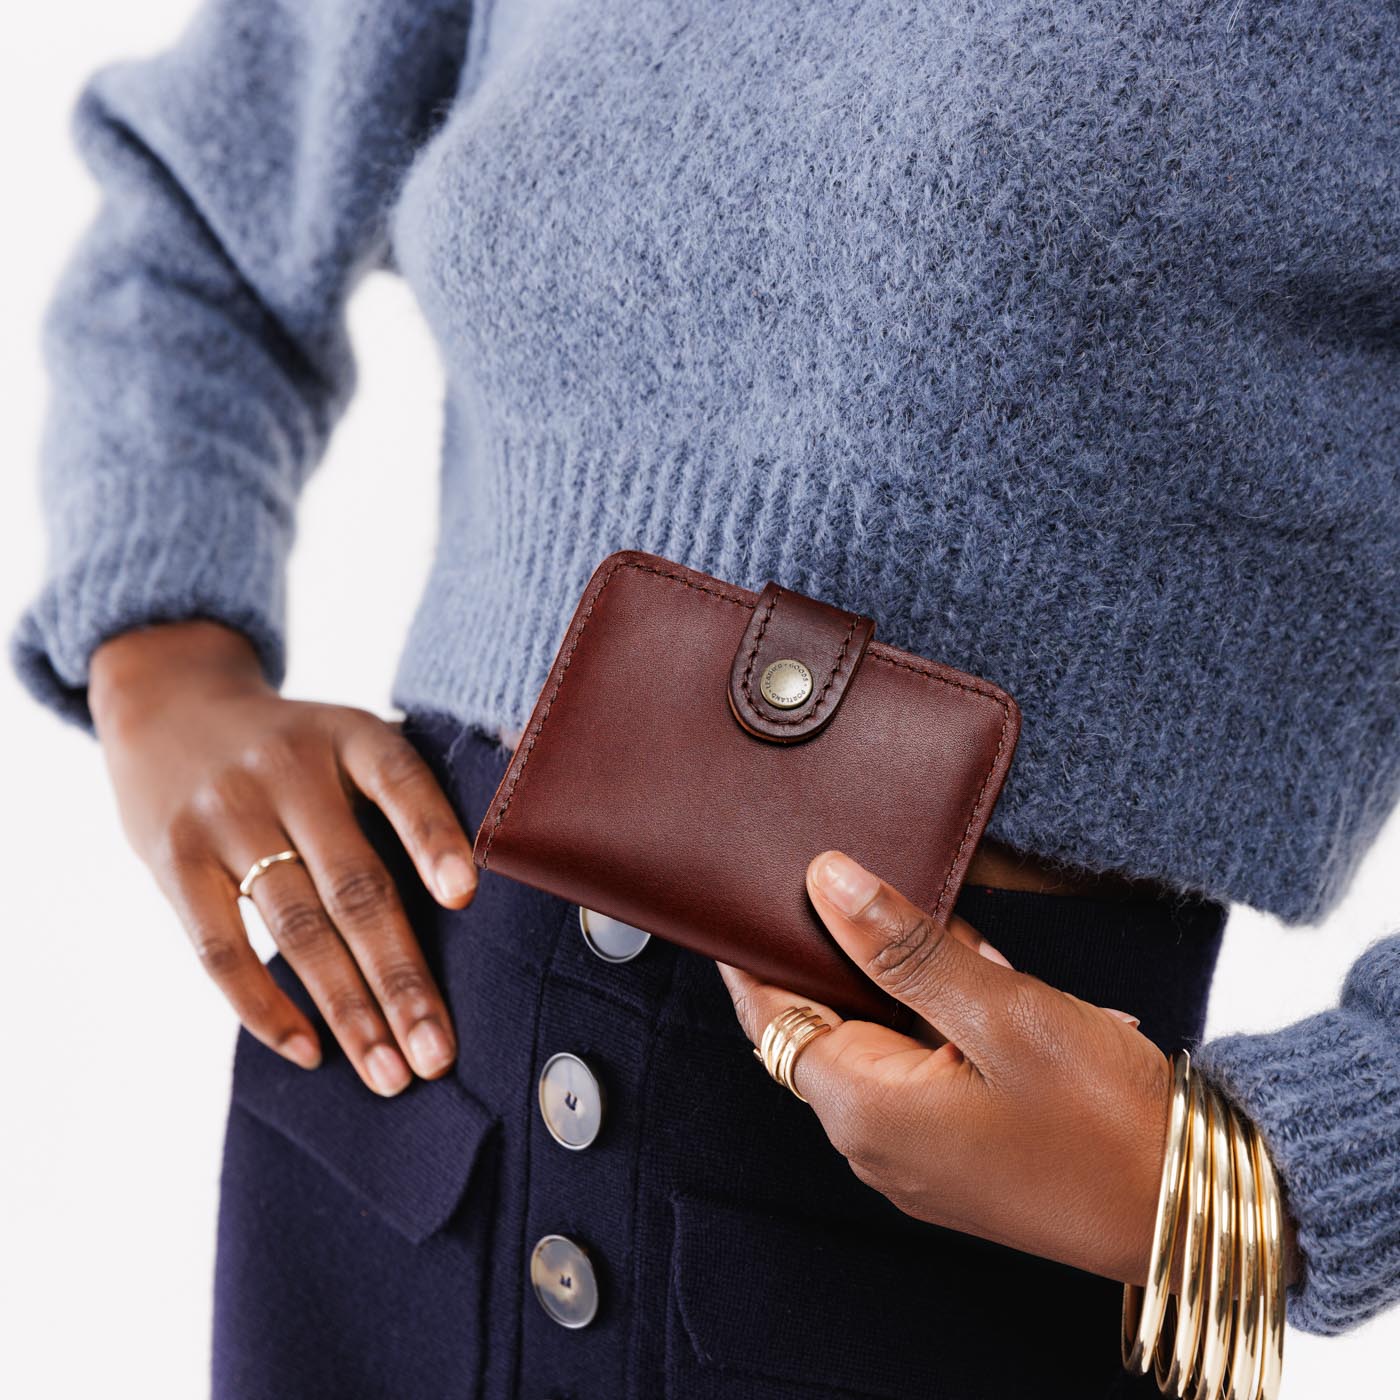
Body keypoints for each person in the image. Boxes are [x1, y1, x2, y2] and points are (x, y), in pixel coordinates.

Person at [14, 2, 1398, 1396]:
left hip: (946, 1261)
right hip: (396, 1130)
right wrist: (163, 660)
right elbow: (200, 203)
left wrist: (1268, 1171)